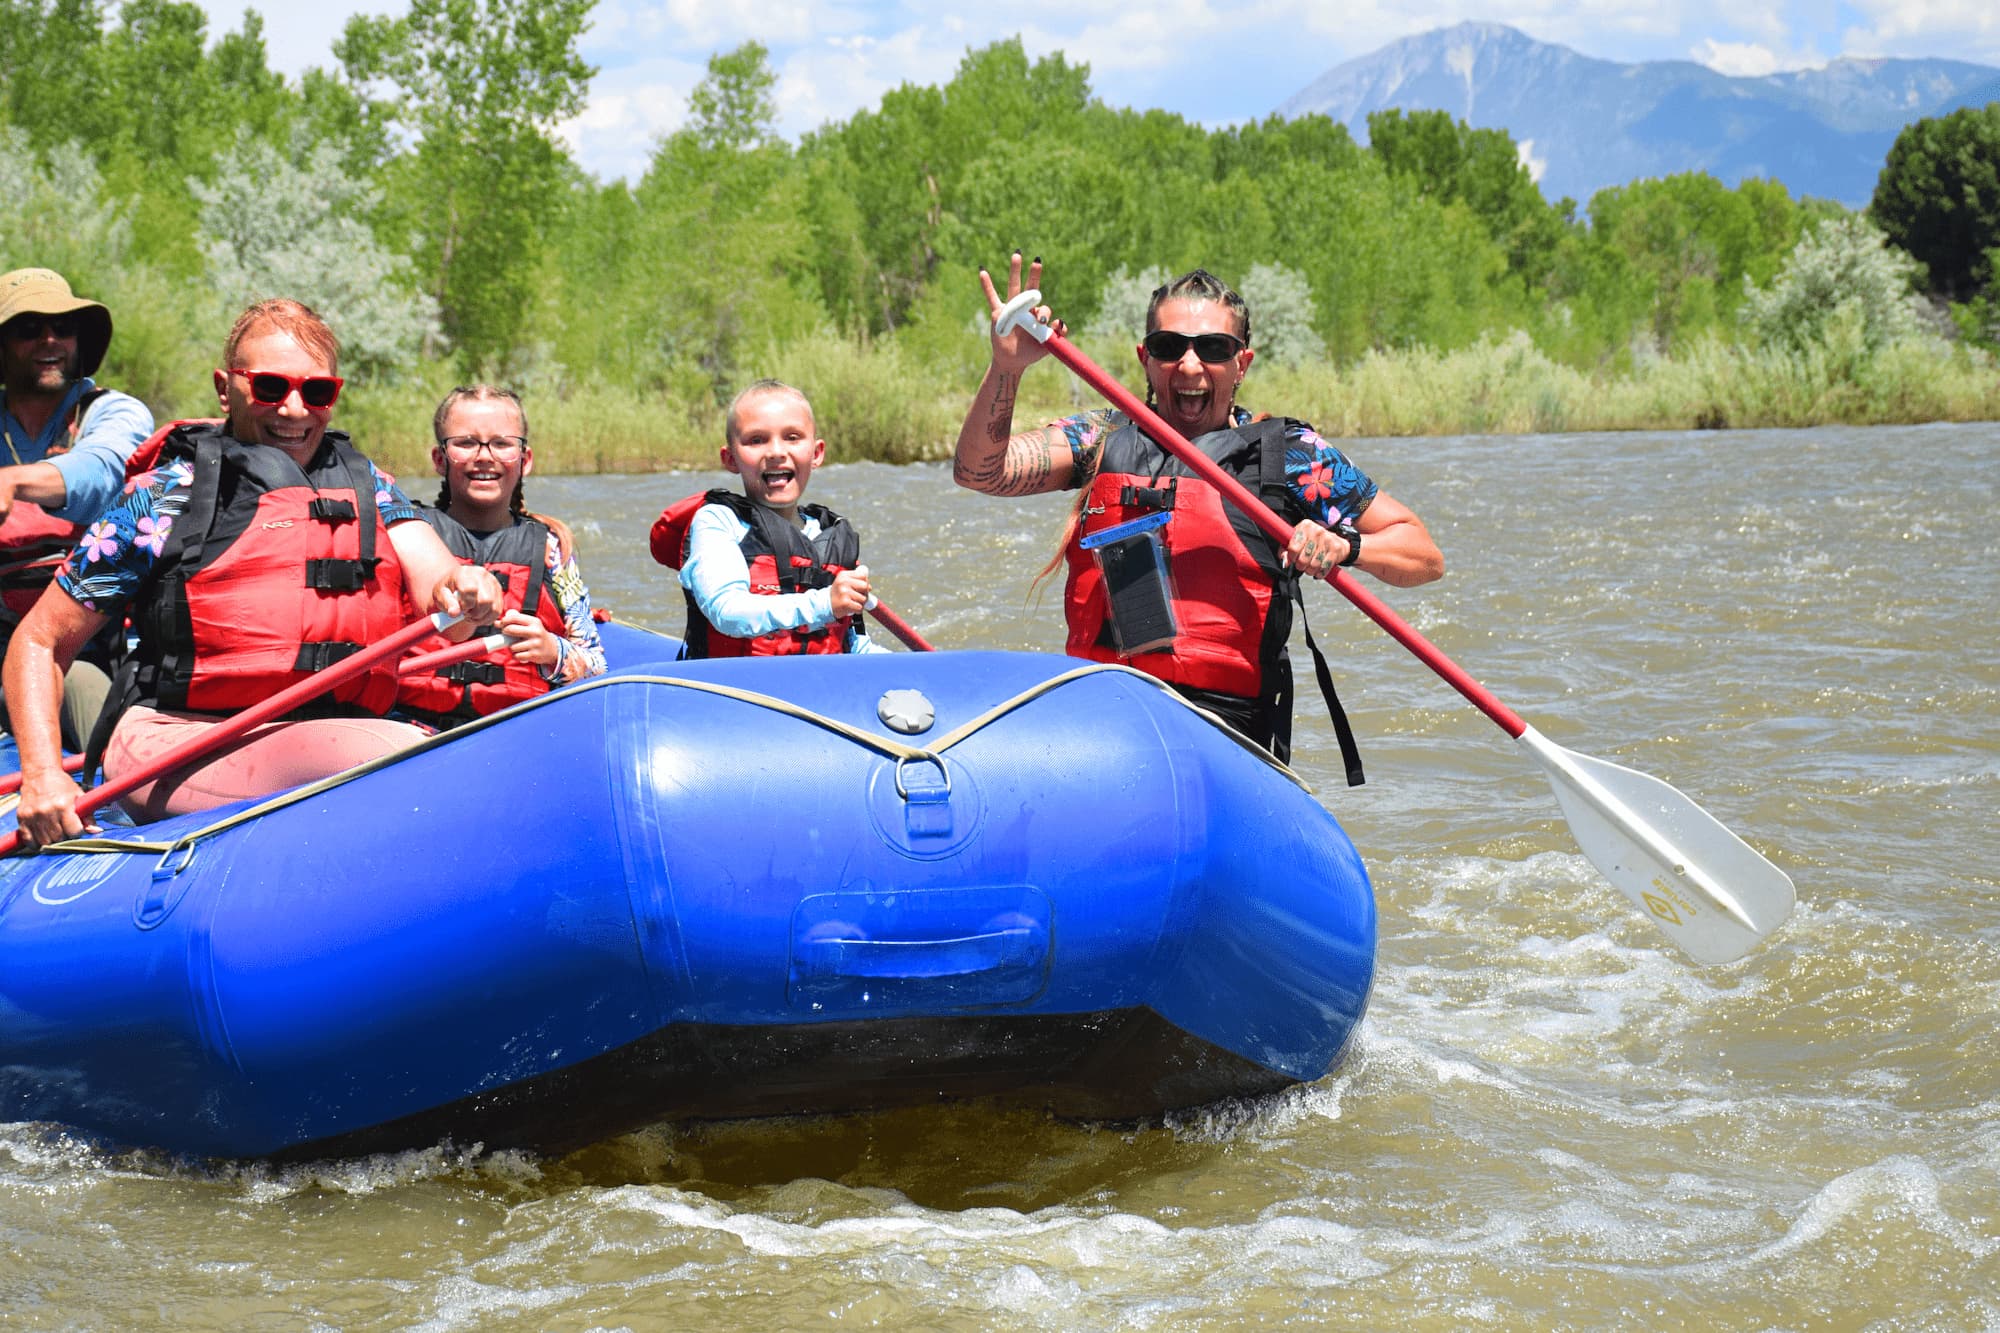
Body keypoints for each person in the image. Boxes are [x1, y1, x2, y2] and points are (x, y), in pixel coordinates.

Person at [3, 298, 504, 847]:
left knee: (425, 751)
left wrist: (466, 589)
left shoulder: (372, 488)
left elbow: (447, 603)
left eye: (317, 392)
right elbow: (40, 641)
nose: (294, 410)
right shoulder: (164, 498)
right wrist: (44, 774)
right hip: (177, 741)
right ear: (226, 389)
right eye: (269, 387)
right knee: (409, 757)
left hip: (324, 733)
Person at [952, 256, 1444, 770]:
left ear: (1242, 364)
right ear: (1145, 359)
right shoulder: (1099, 438)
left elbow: (1423, 555)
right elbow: (979, 473)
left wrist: (1345, 546)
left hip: (1226, 731)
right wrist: (1006, 369)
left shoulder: (1291, 457)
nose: (1189, 366)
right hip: (1103, 714)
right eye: (1169, 347)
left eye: (1213, 348)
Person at [0, 267, 156, 748]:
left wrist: (13, 480)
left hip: (81, 642)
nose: (49, 340)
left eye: (63, 328)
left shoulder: (112, 412)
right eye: (29, 329)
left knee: (83, 689)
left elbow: (104, 471)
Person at [395, 384, 606, 727]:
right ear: (439, 459)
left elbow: (596, 663)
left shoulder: (551, 548)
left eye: (501, 443)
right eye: (466, 443)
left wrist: (552, 651)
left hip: (514, 729)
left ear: (525, 460)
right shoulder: (406, 534)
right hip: (413, 727)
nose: (484, 456)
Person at [649, 378, 882, 657]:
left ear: (817, 453)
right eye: (756, 440)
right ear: (730, 459)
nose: (776, 452)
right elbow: (728, 611)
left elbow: (852, 645)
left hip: (815, 681)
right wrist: (824, 604)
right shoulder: (718, 522)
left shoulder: (831, 538)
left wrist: (915, 667)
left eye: (792, 437)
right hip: (730, 681)